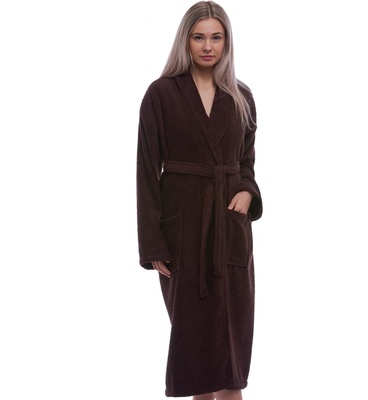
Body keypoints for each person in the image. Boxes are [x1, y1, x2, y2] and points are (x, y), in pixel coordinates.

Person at [136, 1, 263, 399]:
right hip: (183, 236)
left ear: (227, 42)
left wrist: (247, 191)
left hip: (229, 233)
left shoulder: (241, 96)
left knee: (230, 362)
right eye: (199, 37)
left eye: (216, 37)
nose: (208, 46)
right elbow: (146, 171)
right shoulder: (160, 94)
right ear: (185, 41)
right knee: (196, 358)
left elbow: (247, 162)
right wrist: (153, 244)